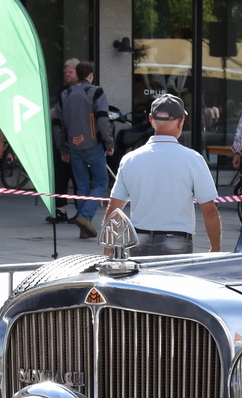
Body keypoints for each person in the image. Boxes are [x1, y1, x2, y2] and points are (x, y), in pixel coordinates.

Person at [106, 93, 220, 256]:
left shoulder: (130, 159)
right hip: (177, 241)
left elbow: (114, 209)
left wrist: (107, 250)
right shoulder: (193, 159)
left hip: (139, 240)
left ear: (151, 120)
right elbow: (210, 211)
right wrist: (215, 249)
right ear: (181, 121)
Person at [53, 58, 112, 239]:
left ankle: (84, 228)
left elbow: (57, 124)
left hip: (73, 145)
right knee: (101, 183)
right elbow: (102, 118)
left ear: (78, 74)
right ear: (91, 76)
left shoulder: (65, 94)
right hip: (93, 143)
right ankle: (85, 217)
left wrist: (63, 148)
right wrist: (109, 142)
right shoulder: (96, 91)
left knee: (82, 186)